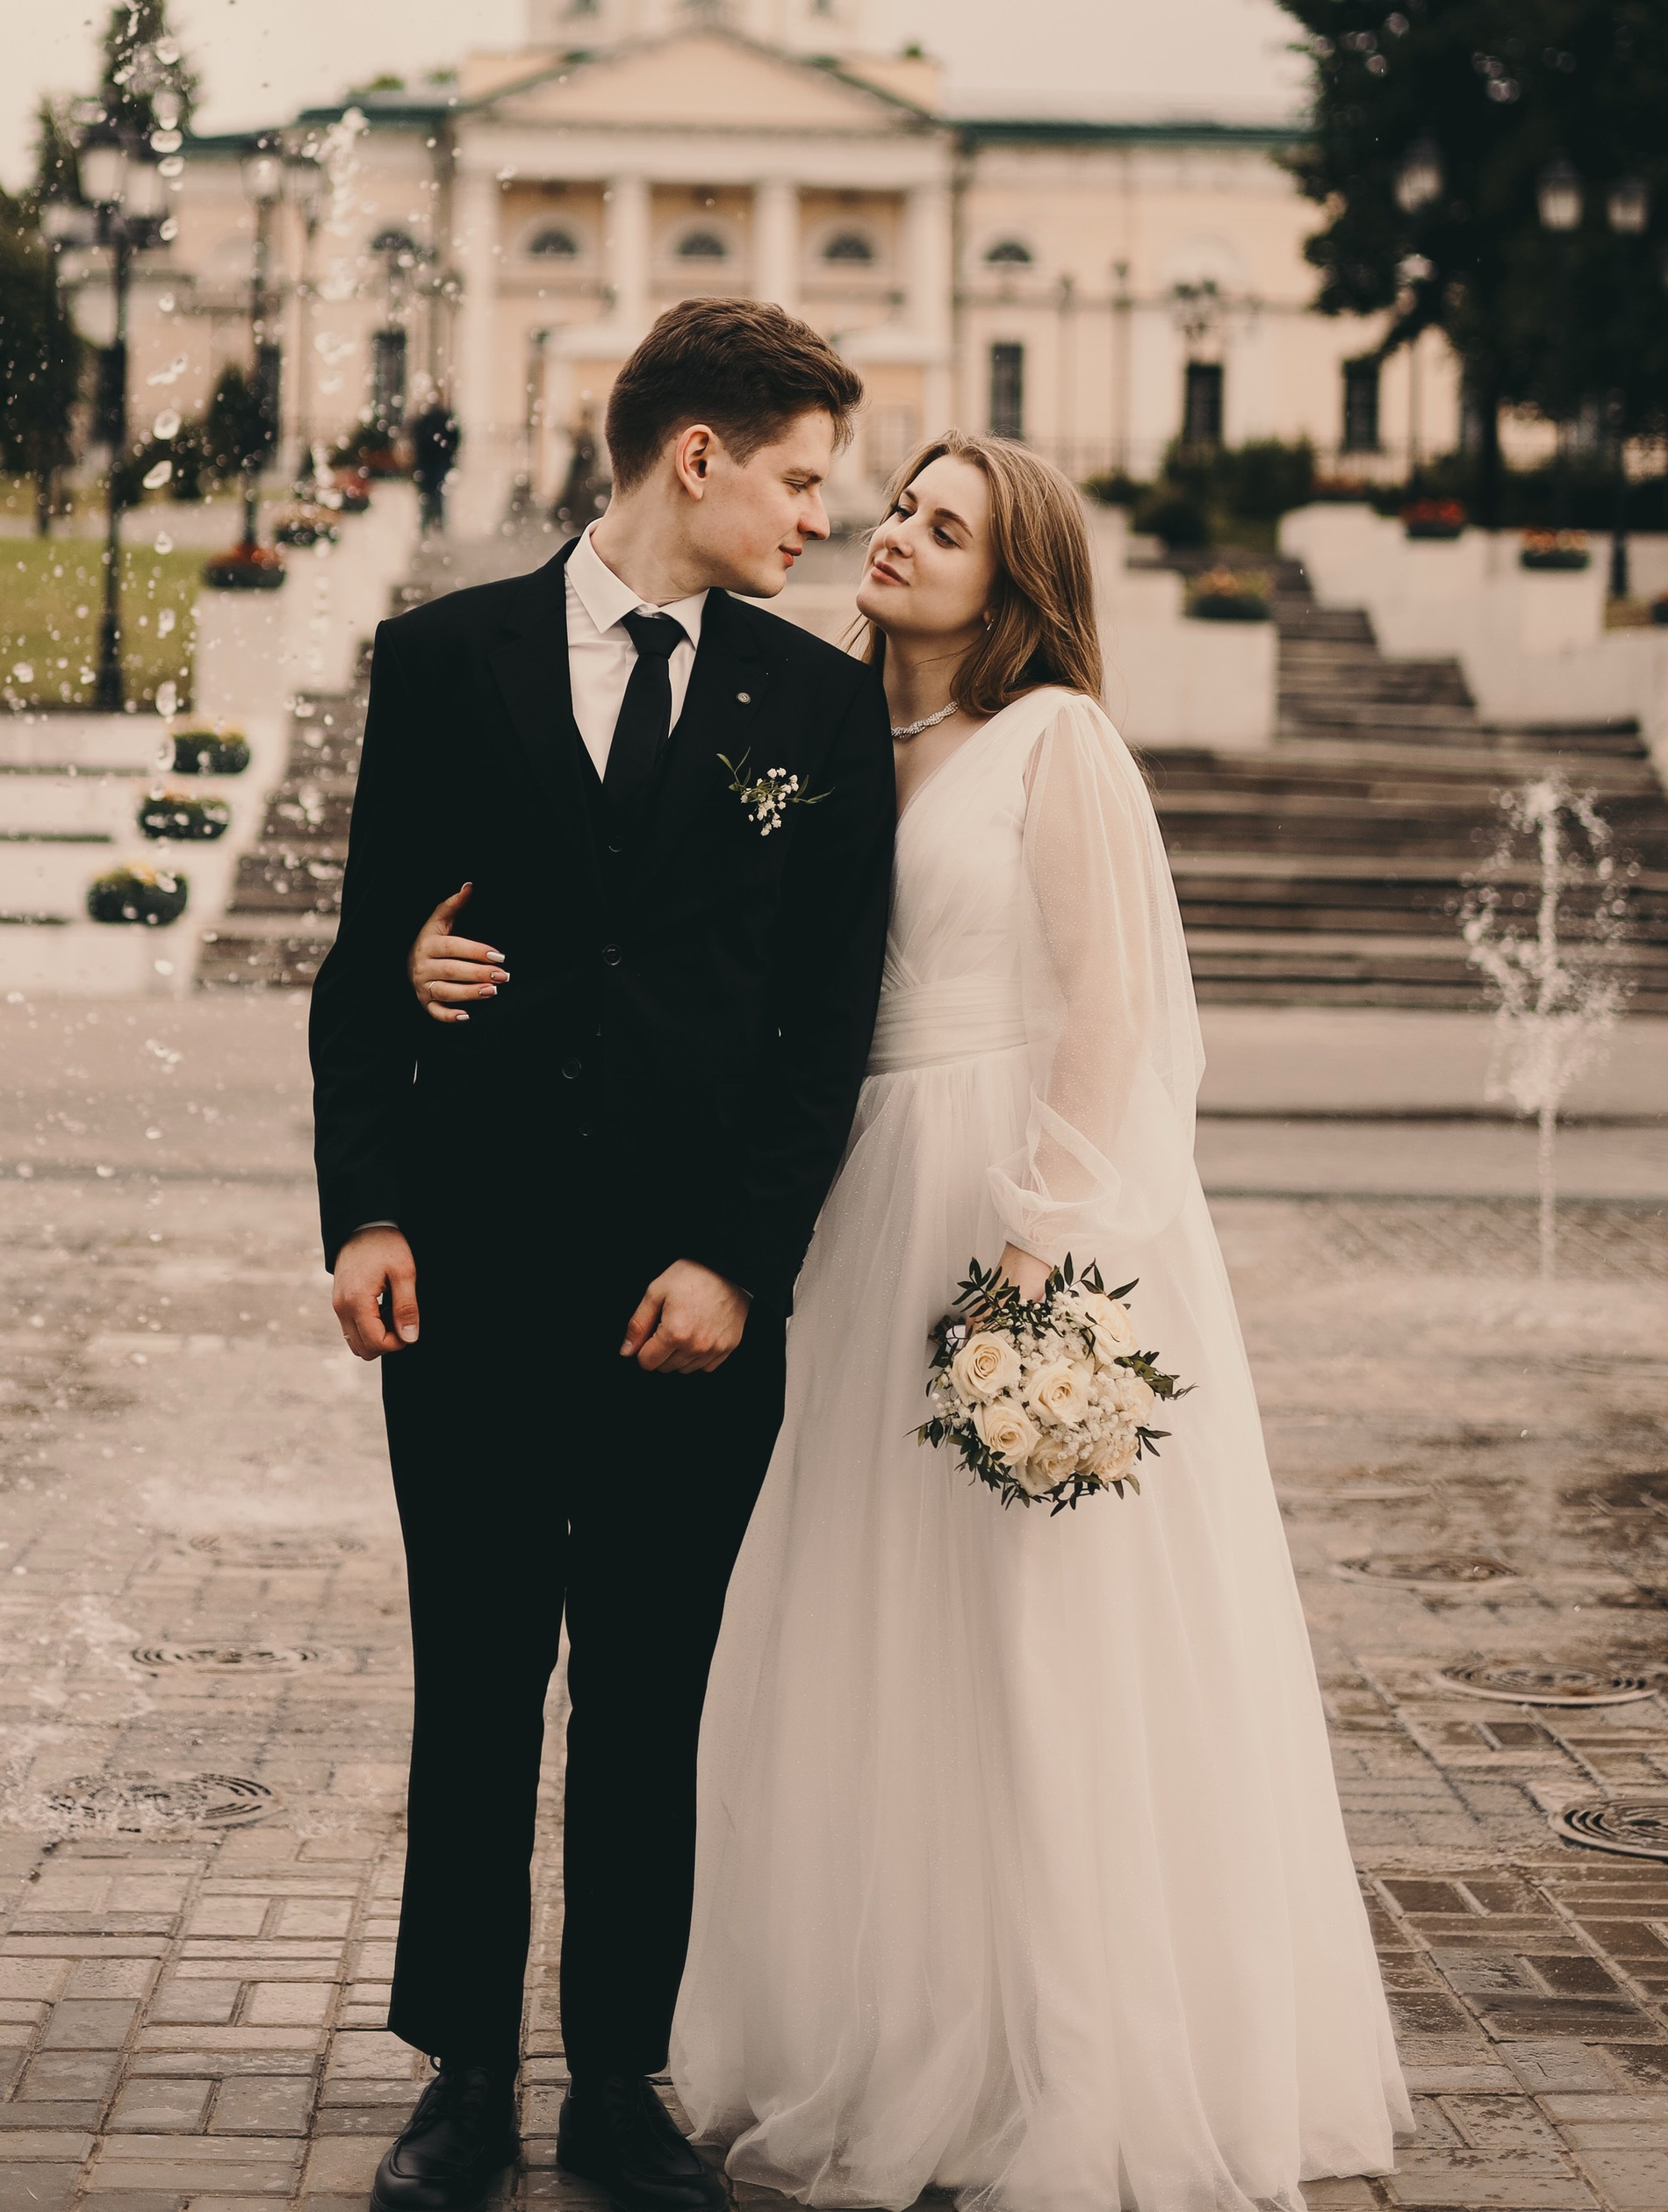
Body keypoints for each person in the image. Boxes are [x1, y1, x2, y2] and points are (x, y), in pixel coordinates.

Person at [424, 435, 1408, 2212]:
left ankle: (1056, 2056)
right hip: (850, 1195)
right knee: (859, 1618)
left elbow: (1112, 1014)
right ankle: (879, 2021)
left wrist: (1042, 1242)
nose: (893, 537)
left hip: (1002, 1208)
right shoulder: (806, 724)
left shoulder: (1056, 743)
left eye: (942, 528)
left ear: (1010, 578)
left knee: (1021, 1632)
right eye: (896, 508)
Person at [313, 298, 896, 2212]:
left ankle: (619, 2082)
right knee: (476, 1683)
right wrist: (368, 1208)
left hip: (688, 1304)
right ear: (696, 456)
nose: (824, 516)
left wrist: (742, 1260)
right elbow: (361, 967)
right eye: (802, 479)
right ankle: (460, 2075)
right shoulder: (441, 659)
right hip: (468, 1275)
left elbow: (824, 1029)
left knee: (650, 1697)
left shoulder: (816, 708)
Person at [406, 395, 459, 531]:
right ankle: (435, 521)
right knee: (436, 492)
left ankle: (430, 521)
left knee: (429, 492)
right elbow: (454, 439)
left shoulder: (426, 420)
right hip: (435, 462)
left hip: (430, 462)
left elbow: (417, 439)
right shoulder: (440, 419)